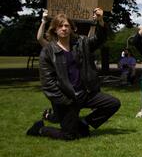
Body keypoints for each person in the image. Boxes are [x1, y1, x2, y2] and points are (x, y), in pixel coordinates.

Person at [26, 8, 121, 140]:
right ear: (55, 29)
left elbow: (100, 39)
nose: (64, 28)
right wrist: (65, 101)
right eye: (60, 26)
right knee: (69, 135)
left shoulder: (81, 43)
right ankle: (40, 129)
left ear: (71, 28)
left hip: (85, 93)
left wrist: (100, 20)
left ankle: (84, 122)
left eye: (66, 25)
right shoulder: (48, 51)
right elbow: (48, 83)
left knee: (113, 103)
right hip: (67, 98)